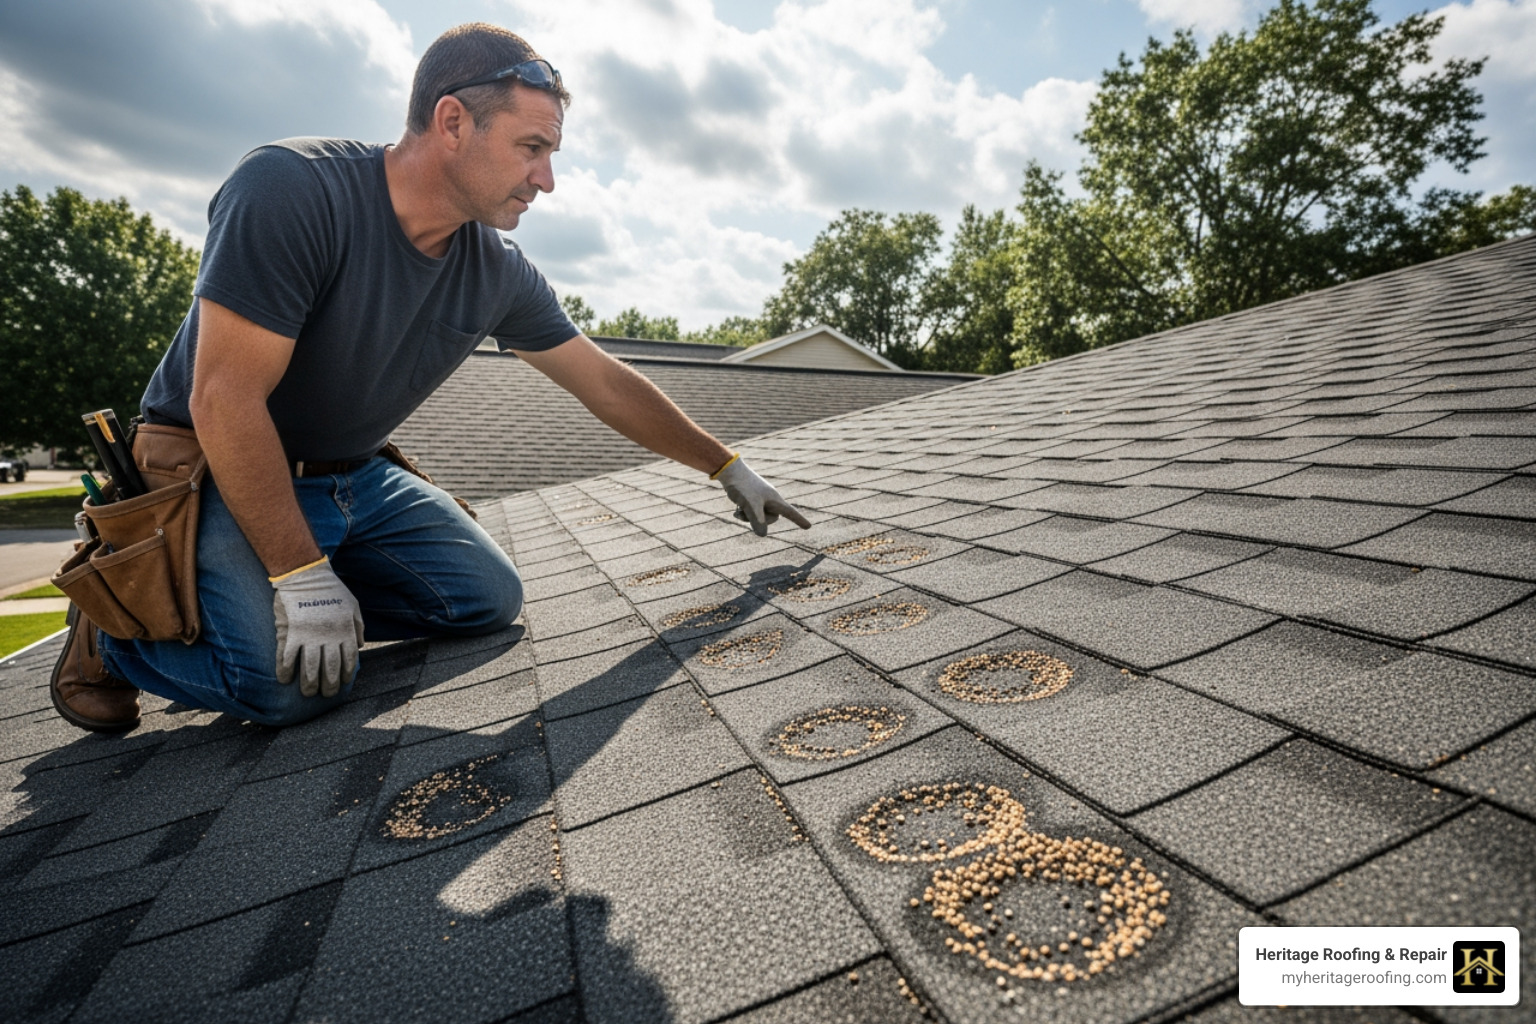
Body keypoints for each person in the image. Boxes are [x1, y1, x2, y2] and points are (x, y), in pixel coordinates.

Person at [49, 22, 808, 733]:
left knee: (487, 600)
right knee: (285, 690)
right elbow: (223, 399)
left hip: (355, 481)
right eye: (531, 148)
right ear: (452, 123)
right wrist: (298, 574)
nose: (546, 180)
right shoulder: (292, 190)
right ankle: (116, 624)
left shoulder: (496, 271)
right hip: (214, 473)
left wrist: (726, 465)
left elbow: (602, 381)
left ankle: (269, 598)